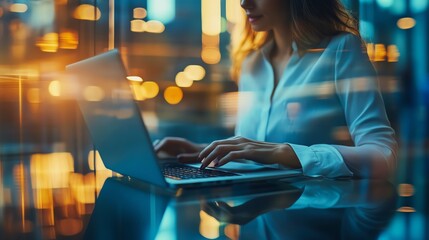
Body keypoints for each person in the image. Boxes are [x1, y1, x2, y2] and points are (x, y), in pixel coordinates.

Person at [155, 0, 397, 179]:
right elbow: (257, 148)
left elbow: (382, 156)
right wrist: (201, 151)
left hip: (318, 215)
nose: (243, 3)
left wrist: (289, 153)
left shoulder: (341, 50)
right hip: (256, 215)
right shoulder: (251, 64)